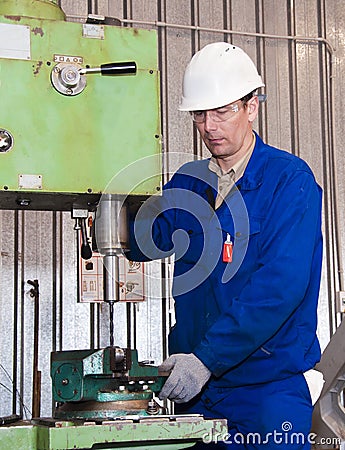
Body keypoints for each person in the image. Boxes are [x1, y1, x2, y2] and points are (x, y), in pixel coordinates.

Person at [126, 42, 324, 448]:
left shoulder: (289, 181)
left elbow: (279, 288)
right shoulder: (189, 181)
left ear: (252, 106)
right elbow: (148, 238)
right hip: (196, 393)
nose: (210, 126)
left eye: (223, 111)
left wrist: (206, 360)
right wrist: (105, 209)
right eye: (200, 114)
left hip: (266, 394)